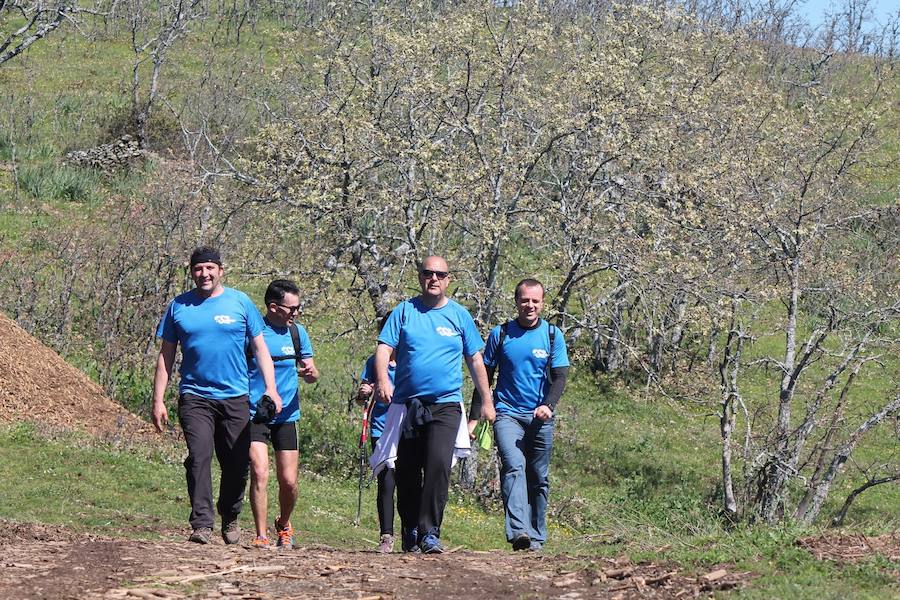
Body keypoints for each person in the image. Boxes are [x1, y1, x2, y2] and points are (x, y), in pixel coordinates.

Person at [151, 246, 283, 545]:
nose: (204, 274)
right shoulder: (179, 307)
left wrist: (270, 388)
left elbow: (261, 348)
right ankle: (201, 524)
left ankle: (231, 515)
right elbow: (166, 356)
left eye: (210, 268)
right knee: (199, 457)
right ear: (192, 272)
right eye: (198, 269)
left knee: (236, 463)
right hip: (195, 395)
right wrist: (158, 399)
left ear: (220, 270)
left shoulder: (240, 302)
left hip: (236, 396)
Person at [374, 255, 495, 554]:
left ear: (448, 279)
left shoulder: (459, 315)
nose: (434, 279)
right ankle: (410, 528)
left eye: (440, 274)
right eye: (428, 273)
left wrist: (487, 402)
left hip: (446, 405)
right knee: (407, 470)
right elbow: (383, 348)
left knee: (439, 465)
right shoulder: (404, 312)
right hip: (408, 406)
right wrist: (382, 380)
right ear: (420, 277)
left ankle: (430, 532)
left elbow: (475, 360)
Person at [470, 278, 569, 552]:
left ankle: (537, 537)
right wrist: (475, 417)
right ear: (516, 301)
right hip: (507, 414)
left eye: (535, 301)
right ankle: (519, 532)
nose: (530, 305)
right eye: (525, 300)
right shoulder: (500, 334)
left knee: (539, 476)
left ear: (542, 303)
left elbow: (560, 377)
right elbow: (484, 378)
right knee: (514, 467)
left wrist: (548, 405)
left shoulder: (552, 335)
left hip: (541, 418)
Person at [247, 279, 319, 550]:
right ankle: (260, 534)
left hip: (287, 415)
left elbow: (311, 372)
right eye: (292, 308)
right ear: (274, 307)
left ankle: (284, 524)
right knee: (260, 471)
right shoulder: (254, 333)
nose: (296, 313)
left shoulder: (297, 333)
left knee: (288, 482)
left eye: (298, 307)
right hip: (255, 412)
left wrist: (311, 373)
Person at [356, 313, 396, 553]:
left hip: (407, 428)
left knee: (410, 481)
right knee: (387, 482)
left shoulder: (414, 360)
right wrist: (364, 391)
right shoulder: (374, 362)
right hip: (381, 427)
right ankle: (387, 535)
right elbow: (362, 397)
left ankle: (412, 531)